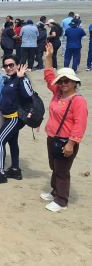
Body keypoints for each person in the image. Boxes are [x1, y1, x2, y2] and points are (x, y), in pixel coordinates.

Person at [42, 43, 88, 212]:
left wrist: (71, 144)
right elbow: (48, 76)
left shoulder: (78, 101)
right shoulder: (57, 93)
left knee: (62, 171)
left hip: (66, 141)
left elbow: (80, 124)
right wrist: (48, 57)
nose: (63, 83)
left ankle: (61, 201)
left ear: (75, 82)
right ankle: (55, 192)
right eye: (61, 81)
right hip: (52, 137)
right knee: (54, 167)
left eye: (66, 81)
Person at [0, 55, 33, 185]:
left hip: (15, 117)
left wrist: (22, 77)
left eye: (11, 65)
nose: (8, 67)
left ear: (18, 65)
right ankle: (15, 169)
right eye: (6, 65)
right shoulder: (10, 79)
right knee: (12, 142)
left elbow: (28, 95)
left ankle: (0, 173)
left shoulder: (21, 79)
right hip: (8, 117)